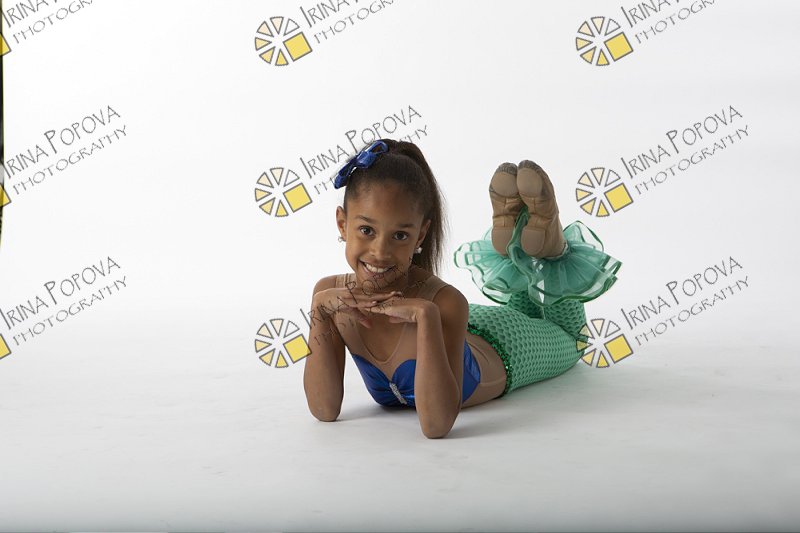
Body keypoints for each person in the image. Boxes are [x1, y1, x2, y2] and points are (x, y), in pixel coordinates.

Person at [303, 139, 622, 438]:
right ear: (342, 224)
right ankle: (519, 235)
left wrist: (426, 316)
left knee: (570, 338)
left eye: (400, 236)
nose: (380, 251)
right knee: (525, 308)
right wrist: (319, 310)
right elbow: (324, 410)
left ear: (420, 235)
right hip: (464, 327)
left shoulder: (443, 303)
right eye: (366, 230)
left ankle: (550, 247)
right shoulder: (331, 298)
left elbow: (436, 426)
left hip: (509, 345)